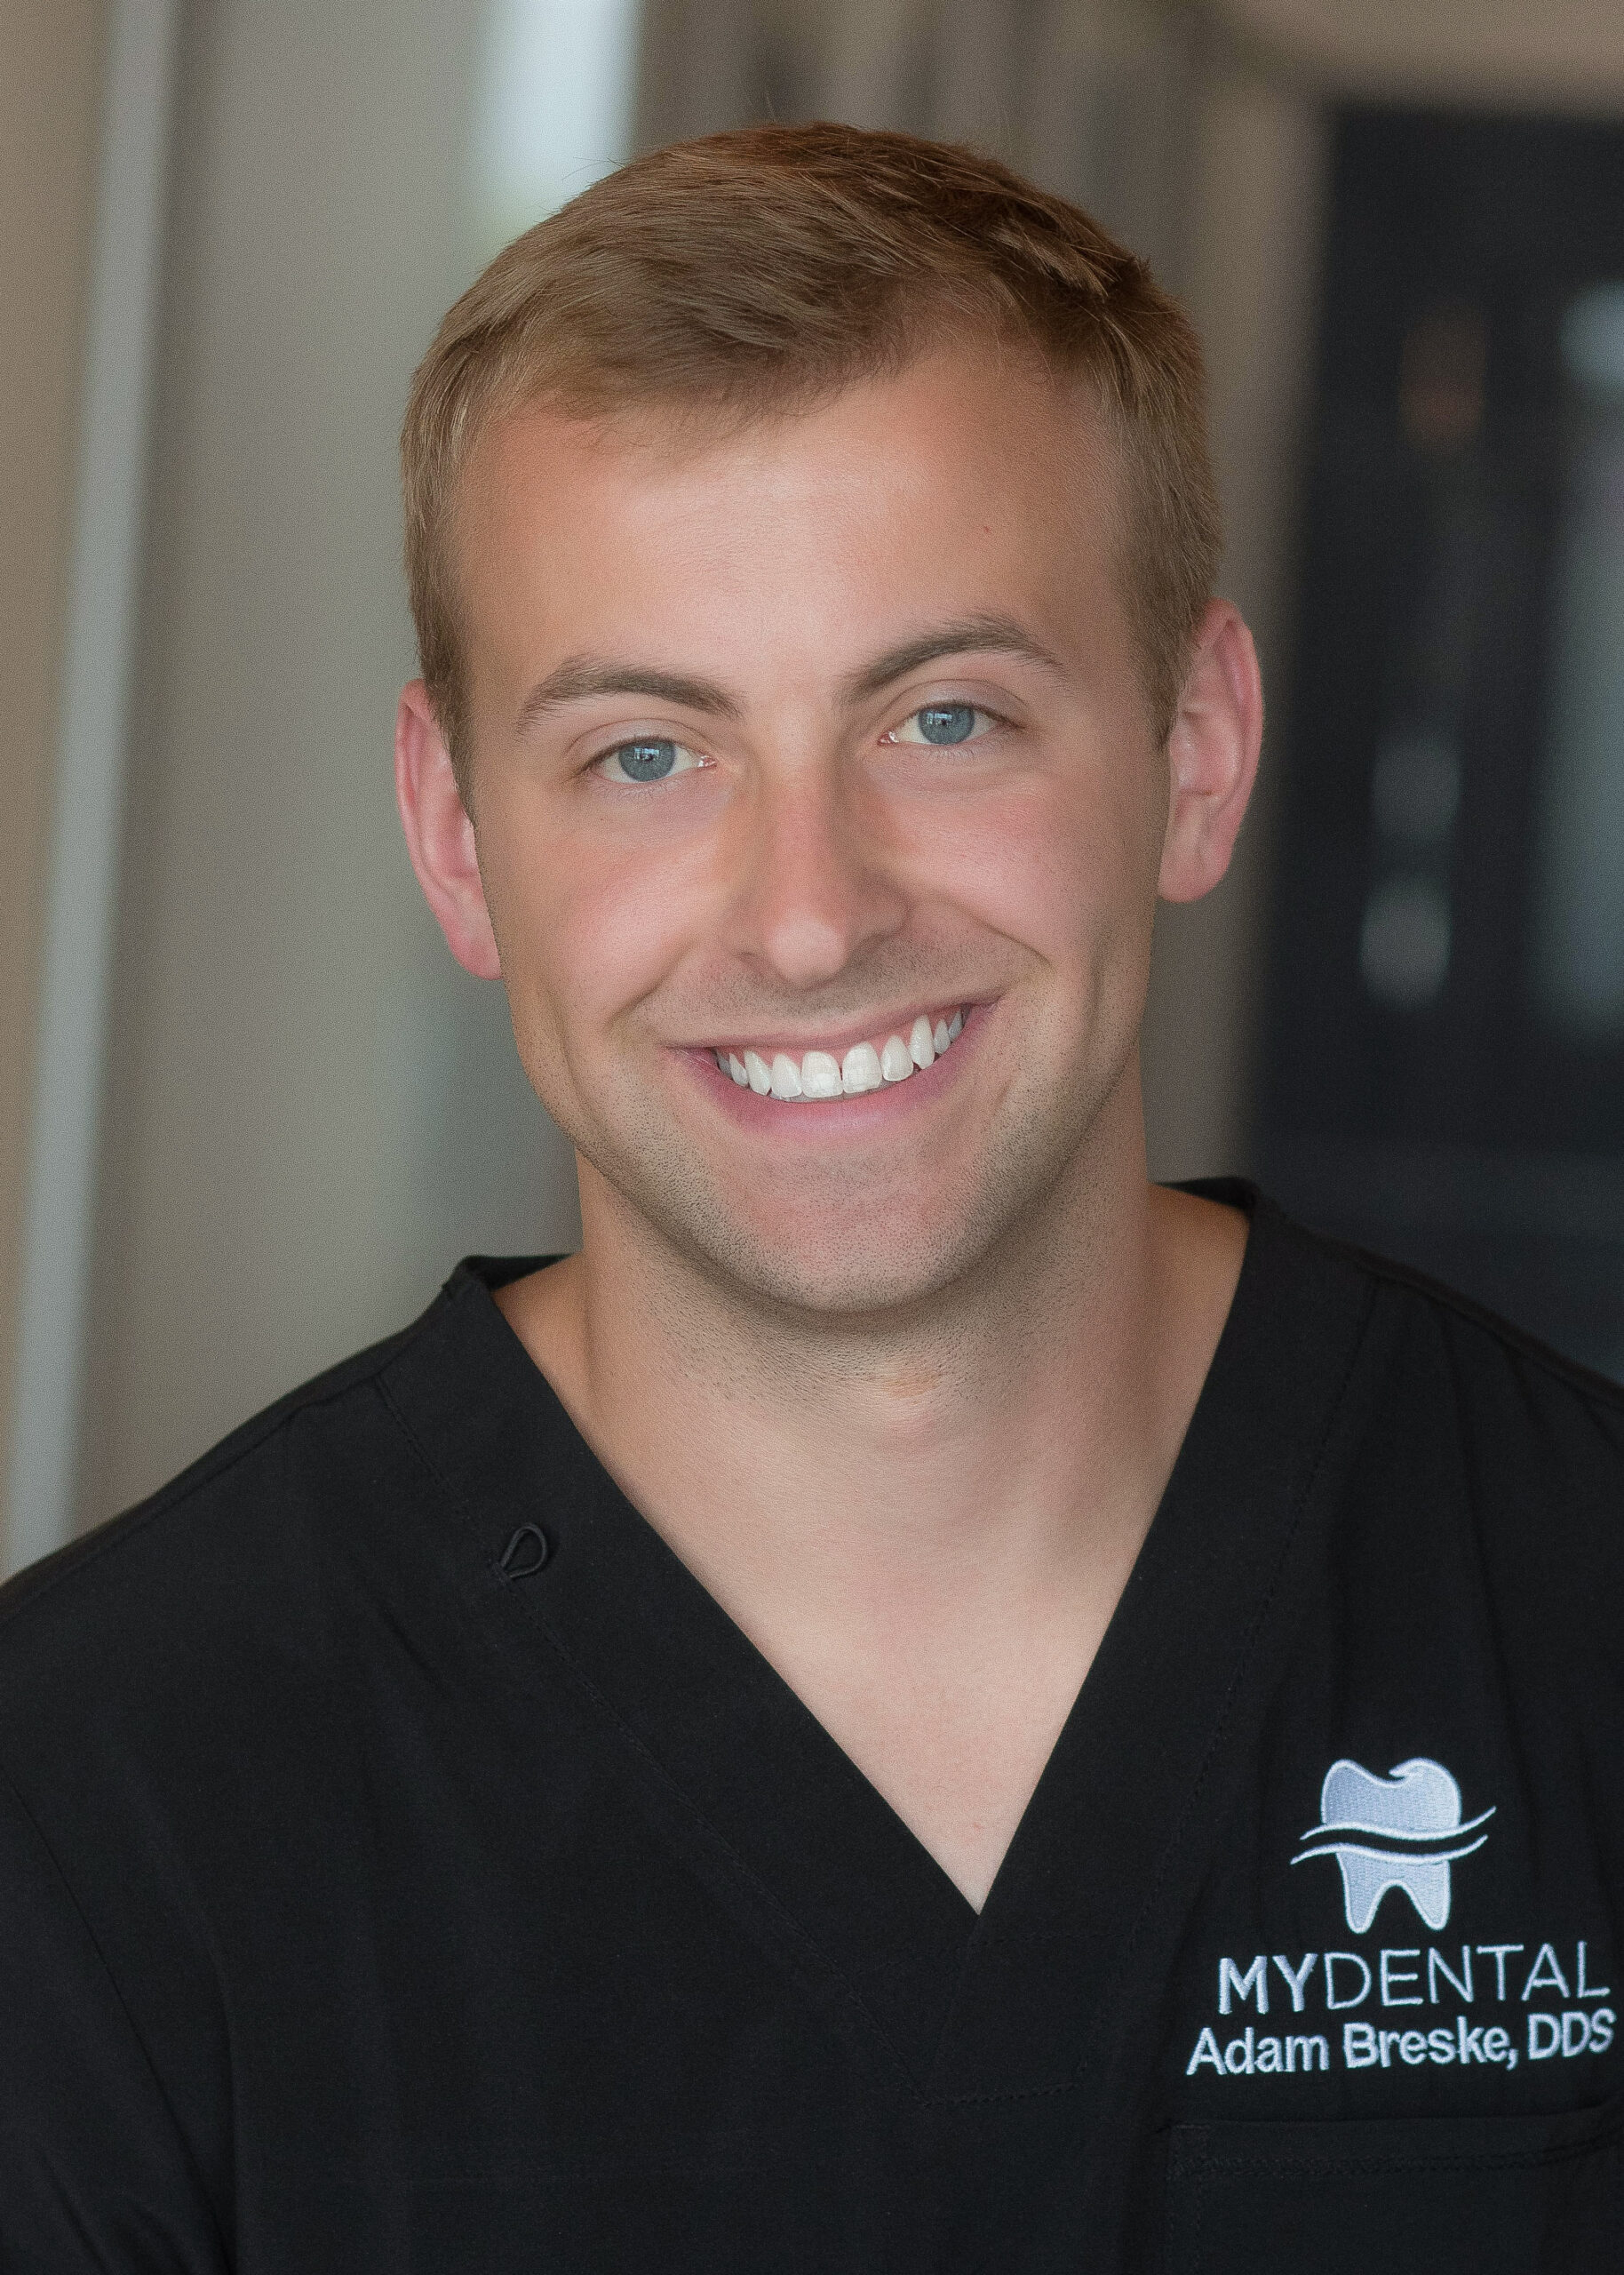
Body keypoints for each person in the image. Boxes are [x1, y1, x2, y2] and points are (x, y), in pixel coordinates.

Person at [1, 124, 1620, 2273]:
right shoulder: (95, 1801)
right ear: (457, 832)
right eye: (647, 755)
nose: (804, 914)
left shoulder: (1576, 1614)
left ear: (1195, 745)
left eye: (943, 716)